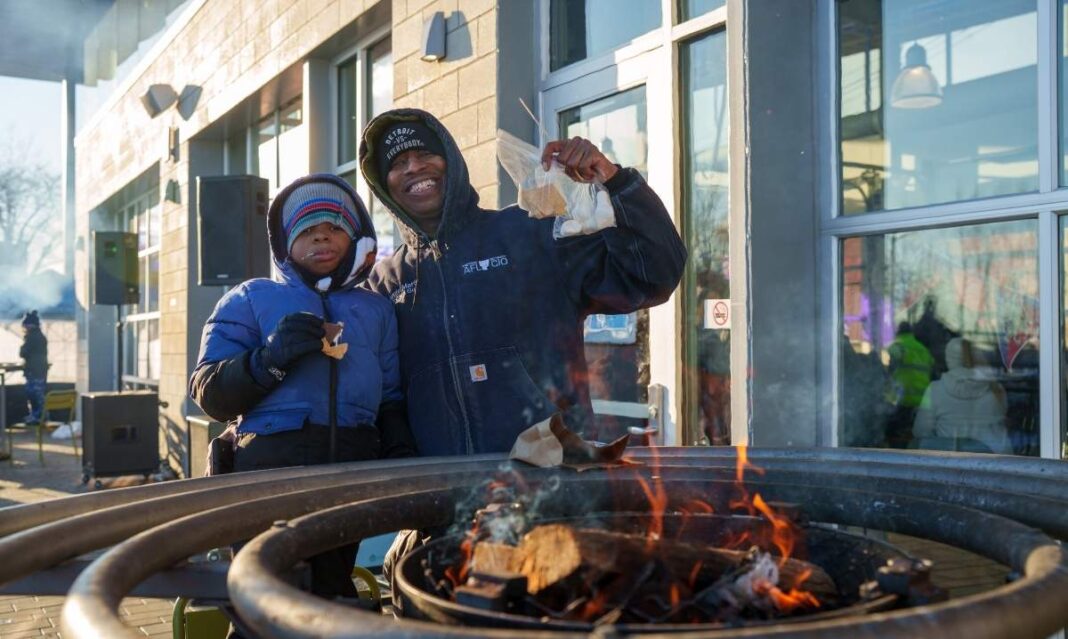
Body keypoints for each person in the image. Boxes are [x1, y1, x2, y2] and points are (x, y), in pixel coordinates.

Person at [358, 109, 686, 581]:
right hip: (450, 518)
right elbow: (377, 399)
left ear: (451, 158)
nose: (413, 167)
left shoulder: (529, 233)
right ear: (383, 184)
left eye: (424, 153)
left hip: (554, 503)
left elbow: (652, 273)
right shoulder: (383, 285)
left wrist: (613, 182)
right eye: (397, 163)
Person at [188, 174, 417, 627]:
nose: (322, 237)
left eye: (334, 227)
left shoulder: (375, 310)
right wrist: (269, 358)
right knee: (265, 604)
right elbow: (208, 392)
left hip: (348, 476)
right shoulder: (252, 297)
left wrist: (399, 447)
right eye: (307, 231)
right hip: (269, 472)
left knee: (331, 602)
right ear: (284, 244)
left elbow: (390, 394)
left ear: (356, 238)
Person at [913, 337, 1011, 454]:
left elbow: (921, 431)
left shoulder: (935, 389)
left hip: (950, 460)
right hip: (996, 460)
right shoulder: (996, 388)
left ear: (949, 360)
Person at [883, 321, 934, 448]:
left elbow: (889, 360)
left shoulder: (898, 346)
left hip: (903, 399)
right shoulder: (923, 350)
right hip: (923, 401)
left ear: (898, 332)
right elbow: (932, 366)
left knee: (894, 435)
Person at [19, 310, 47, 425]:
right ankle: (41, 416)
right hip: (40, 370)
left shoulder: (31, 338)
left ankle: (37, 416)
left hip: (33, 371)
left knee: (33, 394)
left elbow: (23, 353)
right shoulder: (41, 337)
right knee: (39, 395)